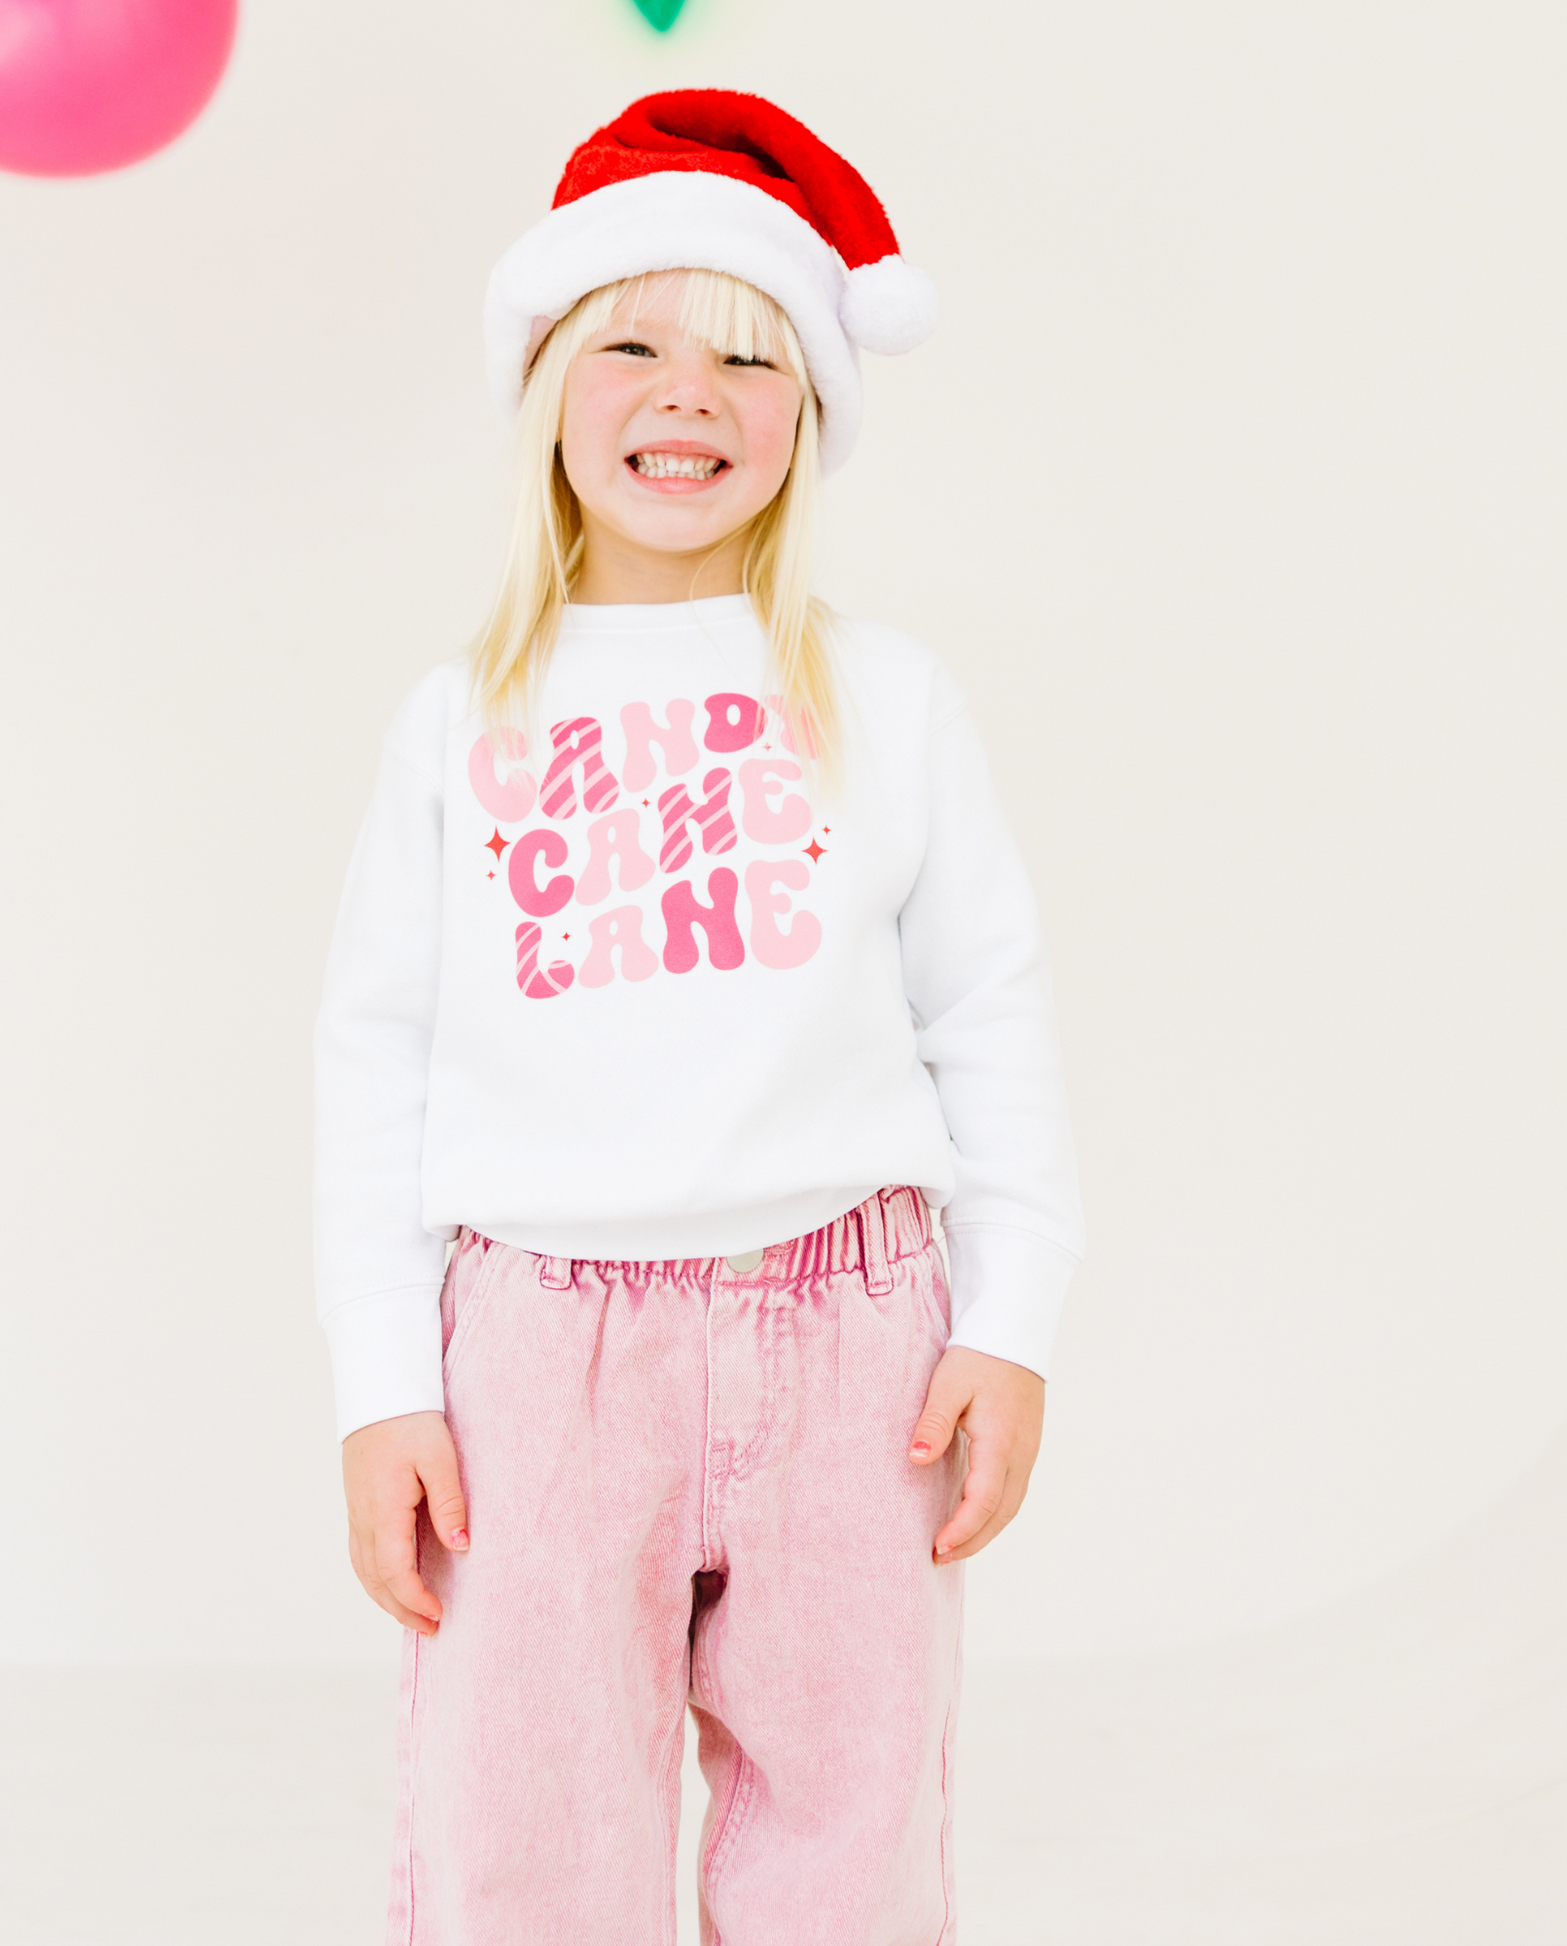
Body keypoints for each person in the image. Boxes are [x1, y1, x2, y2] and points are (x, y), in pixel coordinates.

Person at [314, 88, 1084, 1946]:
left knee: (850, 1828)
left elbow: (988, 1014)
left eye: (750, 357)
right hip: (537, 1356)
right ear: (546, 387)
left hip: (854, 1342)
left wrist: (1008, 1318)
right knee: (526, 1828)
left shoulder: (886, 699)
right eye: (633, 345)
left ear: (807, 415)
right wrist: (385, 1381)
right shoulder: (460, 720)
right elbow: (374, 1060)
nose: (690, 394)